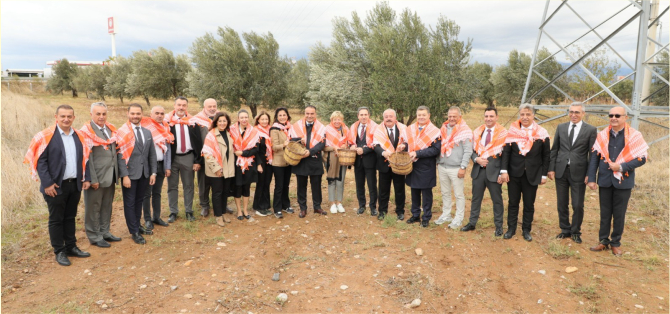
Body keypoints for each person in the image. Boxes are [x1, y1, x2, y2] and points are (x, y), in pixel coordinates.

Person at [25, 104, 91, 266]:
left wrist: (86, 178)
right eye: (63, 116)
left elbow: (85, 158)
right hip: (55, 187)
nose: (66, 119)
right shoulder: (46, 136)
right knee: (56, 219)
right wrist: (47, 184)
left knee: (70, 217)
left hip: (74, 184)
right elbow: (41, 161)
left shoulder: (79, 136)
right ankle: (59, 251)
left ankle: (71, 247)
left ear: (74, 118)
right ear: (56, 117)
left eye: (69, 116)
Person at [587, 106, 647, 256]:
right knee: (605, 212)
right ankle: (603, 241)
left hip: (623, 181)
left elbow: (641, 159)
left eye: (617, 115)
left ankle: (615, 243)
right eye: (611, 115)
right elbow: (594, 157)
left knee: (619, 213)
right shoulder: (602, 135)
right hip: (605, 180)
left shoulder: (634, 136)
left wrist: (621, 167)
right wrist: (592, 178)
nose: (614, 118)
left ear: (625, 117)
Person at [547, 102, 597, 244]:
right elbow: (554, 149)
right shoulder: (561, 127)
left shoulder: (591, 130)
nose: (573, 115)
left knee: (577, 204)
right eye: (571, 112)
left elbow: (592, 154)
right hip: (561, 170)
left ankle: (575, 231)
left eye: (577, 112)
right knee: (561, 203)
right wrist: (551, 168)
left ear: (583, 114)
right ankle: (565, 229)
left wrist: (590, 174)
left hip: (579, 172)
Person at [501, 104, 550, 242]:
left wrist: (544, 174)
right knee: (513, 202)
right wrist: (504, 171)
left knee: (529, 204)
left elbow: (546, 156)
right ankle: (511, 229)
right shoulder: (512, 131)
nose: (525, 117)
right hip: (514, 173)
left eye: (528, 114)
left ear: (533, 115)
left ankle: (526, 230)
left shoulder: (542, 133)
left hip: (532, 174)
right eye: (522, 114)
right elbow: (506, 153)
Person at [79, 102, 121, 248]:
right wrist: (91, 179)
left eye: (104, 114)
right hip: (96, 178)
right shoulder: (86, 131)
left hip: (110, 175)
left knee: (107, 206)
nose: (101, 117)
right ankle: (94, 235)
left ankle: (105, 231)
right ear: (91, 114)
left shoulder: (110, 129)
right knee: (93, 207)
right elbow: (86, 158)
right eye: (98, 114)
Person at [461, 107, 508, 237]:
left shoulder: (503, 133)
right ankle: (472, 223)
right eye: (486, 116)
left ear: (497, 117)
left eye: (491, 116)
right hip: (478, 171)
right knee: (476, 199)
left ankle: (499, 226)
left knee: (497, 200)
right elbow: (471, 150)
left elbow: (505, 155)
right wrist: (476, 159)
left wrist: (502, 173)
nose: (488, 119)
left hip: (494, 172)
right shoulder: (477, 131)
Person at [117, 104, 157, 245]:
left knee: (139, 201)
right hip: (130, 175)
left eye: (138, 113)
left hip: (144, 174)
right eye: (132, 113)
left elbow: (152, 154)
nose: (135, 116)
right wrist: (125, 176)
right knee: (129, 203)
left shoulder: (147, 132)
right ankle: (133, 231)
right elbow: (120, 155)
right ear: (128, 114)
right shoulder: (122, 132)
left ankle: (138, 225)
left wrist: (153, 172)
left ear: (142, 114)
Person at [434, 106, 473, 229]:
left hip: (456, 168)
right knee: (445, 192)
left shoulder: (465, 131)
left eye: (454, 116)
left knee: (458, 194)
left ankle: (459, 218)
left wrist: (463, 167)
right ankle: (446, 215)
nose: (451, 118)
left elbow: (468, 151)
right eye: (450, 116)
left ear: (459, 117)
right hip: (442, 166)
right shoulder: (443, 129)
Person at [166, 96, 203, 223]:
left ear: (187, 107)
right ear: (174, 106)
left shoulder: (193, 122)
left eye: (184, 105)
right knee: (172, 186)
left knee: (189, 185)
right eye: (179, 105)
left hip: (188, 156)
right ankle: (173, 212)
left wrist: (197, 161)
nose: (181, 107)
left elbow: (198, 142)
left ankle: (188, 211)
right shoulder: (167, 122)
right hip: (173, 158)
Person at [405, 106, 441, 228]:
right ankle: (415, 215)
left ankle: (426, 217)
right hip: (412, 164)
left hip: (426, 166)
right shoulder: (410, 129)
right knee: (414, 191)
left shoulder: (435, 131)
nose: (421, 117)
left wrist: (418, 153)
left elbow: (435, 150)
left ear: (428, 116)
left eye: (423, 115)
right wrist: (402, 147)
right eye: (419, 115)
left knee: (426, 194)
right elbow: (407, 144)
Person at [289, 105, 327, 218]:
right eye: (307, 113)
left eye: (312, 114)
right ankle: (303, 208)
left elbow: (322, 143)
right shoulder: (296, 126)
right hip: (301, 159)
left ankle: (317, 207)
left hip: (314, 158)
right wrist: (301, 147)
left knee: (316, 185)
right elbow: (291, 140)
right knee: (301, 185)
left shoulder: (321, 127)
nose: (309, 116)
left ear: (315, 114)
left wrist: (310, 152)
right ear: (304, 114)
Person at [141, 106, 174, 230]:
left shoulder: (166, 127)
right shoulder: (145, 126)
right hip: (149, 165)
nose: (160, 115)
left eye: (162, 113)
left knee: (157, 192)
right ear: (151, 114)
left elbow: (168, 149)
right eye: (157, 113)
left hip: (161, 164)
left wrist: (167, 166)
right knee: (147, 193)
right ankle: (147, 219)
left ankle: (157, 217)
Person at [373, 109, 408, 221]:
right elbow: (375, 145)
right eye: (386, 116)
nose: (388, 118)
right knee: (383, 190)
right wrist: (383, 153)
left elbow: (408, 143)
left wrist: (404, 146)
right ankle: (382, 211)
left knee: (399, 189)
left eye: (391, 116)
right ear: (383, 118)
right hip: (384, 164)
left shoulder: (403, 129)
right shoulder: (378, 130)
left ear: (395, 118)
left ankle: (400, 211)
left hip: (399, 164)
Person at [202, 112, 236, 227]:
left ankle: (223, 212)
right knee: (217, 193)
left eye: (224, 121)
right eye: (220, 121)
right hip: (215, 169)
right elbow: (207, 154)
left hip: (227, 169)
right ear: (216, 122)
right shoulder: (211, 135)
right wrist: (216, 168)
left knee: (225, 192)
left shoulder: (228, 134)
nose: (222, 123)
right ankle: (218, 216)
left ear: (228, 122)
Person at [348, 107, 378, 216]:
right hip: (357, 161)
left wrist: (364, 150)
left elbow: (376, 143)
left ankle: (373, 207)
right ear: (358, 116)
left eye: (365, 114)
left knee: (372, 185)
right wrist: (351, 146)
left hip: (370, 160)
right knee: (359, 184)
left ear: (369, 115)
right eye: (361, 115)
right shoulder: (354, 126)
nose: (363, 117)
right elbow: (350, 141)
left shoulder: (375, 127)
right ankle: (361, 205)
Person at [230, 109, 259, 220]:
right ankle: (239, 211)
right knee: (237, 187)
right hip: (235, 163)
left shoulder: (254, 131)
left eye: (246, 117)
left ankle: (246, 210)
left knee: (246, 187)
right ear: (238, 119)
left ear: (248, 118)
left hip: (249, 163)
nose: (244, 119)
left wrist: (242, 153)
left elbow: (255, 149)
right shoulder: (231, 130)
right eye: (242, 117)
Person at [191, 98, 218, 217]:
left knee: (219, 181)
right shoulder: (197, 120)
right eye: (209, 106)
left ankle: (221, 203)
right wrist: (197, 160)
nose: (212, 108)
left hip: (218, 156)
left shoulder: (220, 118)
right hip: (204, 156)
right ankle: (205, 205)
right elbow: (195, 141)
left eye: (214, 106)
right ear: (204, 107)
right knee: (204, 182)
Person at [270, 107, 295, 218]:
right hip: (278, 161)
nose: (282, 117)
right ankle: (277, 208)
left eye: (284, 115)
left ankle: (286, 205)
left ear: (287, 116)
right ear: (277, 117)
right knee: (279, 186)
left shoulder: (290, 128)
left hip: (288, 160)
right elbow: (274, 147)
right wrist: (284, 145)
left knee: (286, 185)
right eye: (280, 115)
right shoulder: (274, 129)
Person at [323, 111, 349, 214]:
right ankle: (332, 203)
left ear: (342, 120)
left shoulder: (346, 130)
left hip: (343, 158)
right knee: (332, 180)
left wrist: (344, 146)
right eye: (335, 119)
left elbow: (349, 142)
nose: (337, 121)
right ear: (331, 120)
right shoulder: (326, 129)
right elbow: (323, 146)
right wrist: (334, 147)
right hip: (330, 157)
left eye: (339, 119)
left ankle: (339, 202)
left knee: (341, 180)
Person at [252, 111, 273, 217]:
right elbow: (255, 150)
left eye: (266, 119)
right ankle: (258, 207)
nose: (265, 121)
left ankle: (265, 206)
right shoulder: (255, 131)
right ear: (258, 120)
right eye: (262, 119)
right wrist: (259, 164)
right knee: (260, 184)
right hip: (260, 161)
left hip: (269, 161)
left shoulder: (270, 130)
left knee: (267, 183)